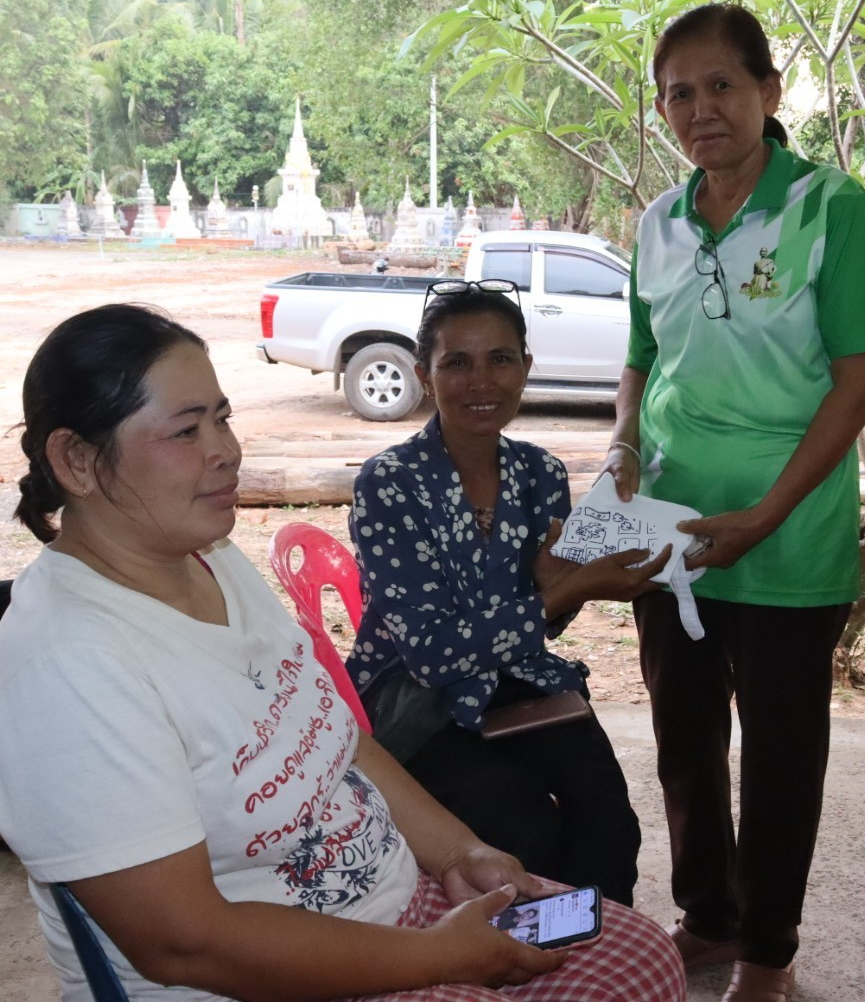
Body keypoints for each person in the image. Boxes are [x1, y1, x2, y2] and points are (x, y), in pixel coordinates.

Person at [0, 303, 686, 1002]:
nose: (227, 450)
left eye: (223, 417)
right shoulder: (66, 663)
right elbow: (184, 942)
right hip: (269, 971)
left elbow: (339, 737)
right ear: (77, 460)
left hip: (389, 910)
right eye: (185, 430)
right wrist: (439, 959)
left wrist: (459, 853)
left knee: (640, 954)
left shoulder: (210, 557)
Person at [601, 4, 865, 1001]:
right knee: (685, 743)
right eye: (678, 92)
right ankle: (709, 922)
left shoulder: (829, 207)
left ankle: (768, 953)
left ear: (769, 94)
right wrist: (622, 447)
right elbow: (641, 359)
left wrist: (762, 517)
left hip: (787, 535)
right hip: (670, 535)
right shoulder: (655, 224)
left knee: (780, 755)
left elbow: (863, 382)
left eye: (720, 84)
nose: (699, 109)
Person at [347, 282, 668, 909]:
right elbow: (434, 655)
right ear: (423, 373)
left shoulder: (539, 473)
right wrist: (567, 590)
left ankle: (595, 969)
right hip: (421, 703)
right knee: (523, 834)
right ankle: (523, 967)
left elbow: (547, 622)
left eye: (500, 359)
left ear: (526, 367)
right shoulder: (389, 484)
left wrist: (565, 588)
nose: (481, 381)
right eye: (456, 363)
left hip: (522, 683)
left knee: (609, 826)